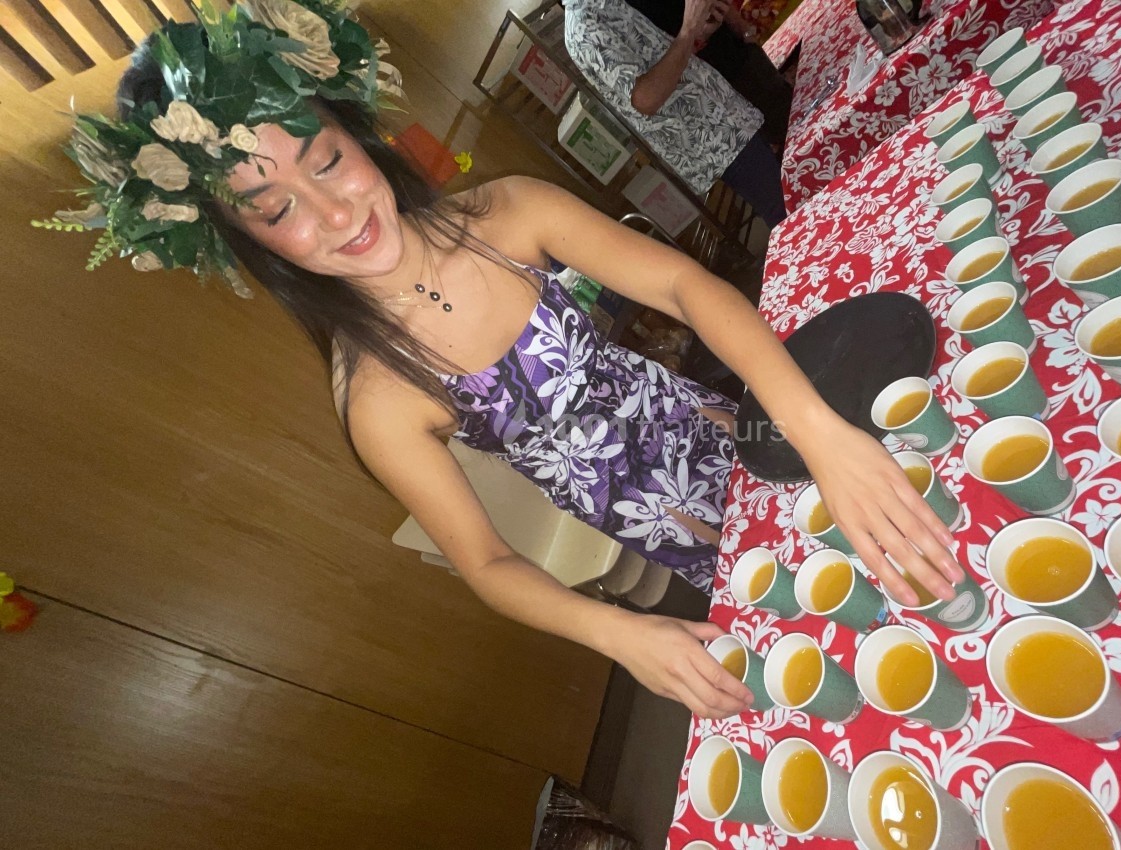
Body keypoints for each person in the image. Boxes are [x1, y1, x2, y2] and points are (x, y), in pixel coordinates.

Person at [39, 0, 959, 719]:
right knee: (874, 634)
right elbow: (483, 562)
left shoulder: (508, 213)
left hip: (750, 419)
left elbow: (685, 288)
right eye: (273, 209)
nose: (330, 215)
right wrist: (620, 632)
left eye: (322, 161)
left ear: (356, 136)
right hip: (679, 530)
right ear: (250, 242)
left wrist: (814, 432)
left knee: (931, 519)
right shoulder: (378, 400)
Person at [563, 0, 787, 228]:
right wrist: (688, 28)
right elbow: (646, 99)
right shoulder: (584, 28)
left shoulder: (604, 4)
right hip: (710, 136)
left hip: (725, 112)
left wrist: (697, 31)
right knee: (786, 208)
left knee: (790, 187)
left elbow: (660, 56)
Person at [622, 0, 793, 149]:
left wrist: (743, 29)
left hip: (739, 60)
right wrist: (695, 34)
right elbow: (646, 97)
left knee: (791, 119)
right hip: (710, 98)